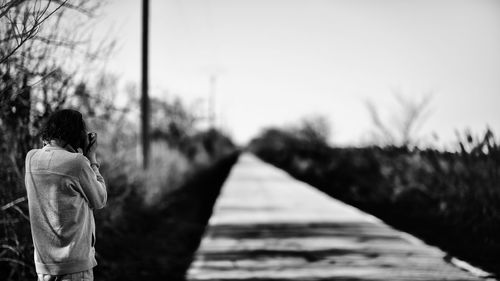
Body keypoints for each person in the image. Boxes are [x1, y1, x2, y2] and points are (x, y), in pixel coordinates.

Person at [25, 109, 107, 281]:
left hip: (44, 266)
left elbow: (51, 156)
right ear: (76, 134)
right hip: (75, 266)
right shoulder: (77, 162)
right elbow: (100, 199)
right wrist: (92, 158)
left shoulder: (31, 159)